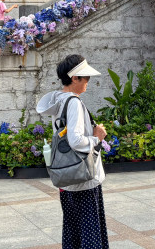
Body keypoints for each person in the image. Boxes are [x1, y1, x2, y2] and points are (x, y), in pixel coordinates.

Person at [37, 55, 108, 249]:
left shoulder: (59, 102)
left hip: (66, 177)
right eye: (86, 78)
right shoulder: (74, 103)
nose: (88, 83)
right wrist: (97, 138)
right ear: (75, 78)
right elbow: (76, 140)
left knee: (73, 232)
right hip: (83, 178)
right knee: (90, 234)